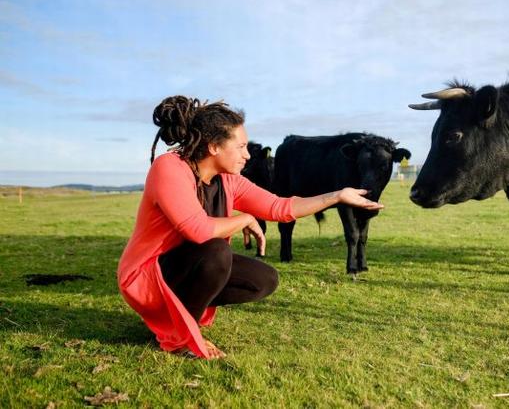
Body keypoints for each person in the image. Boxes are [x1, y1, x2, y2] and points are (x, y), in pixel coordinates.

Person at [117, 96, 383, 359]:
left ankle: (176, 317)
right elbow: (196, 229)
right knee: (216, 252)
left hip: (186, 265)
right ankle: (180, 337)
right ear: (213, 147)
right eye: (241, 146)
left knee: (263, 280)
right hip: (146, 274)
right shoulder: (170, 167)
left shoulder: (229, 180)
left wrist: (337, 196)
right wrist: (243, 219)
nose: (247, 155)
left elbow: (280, 207)